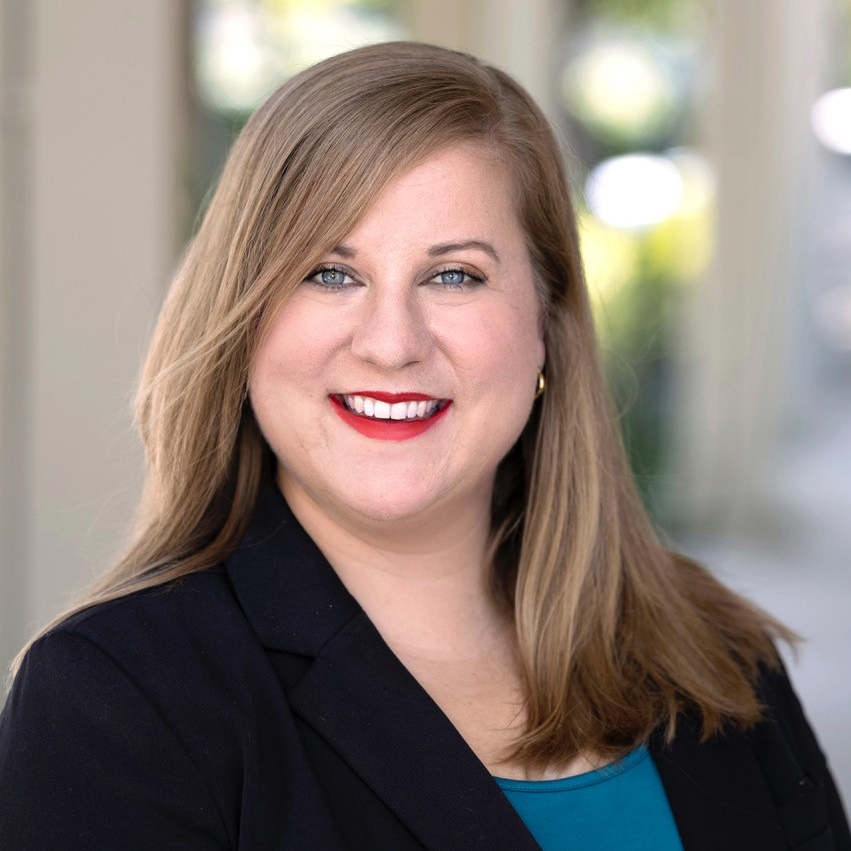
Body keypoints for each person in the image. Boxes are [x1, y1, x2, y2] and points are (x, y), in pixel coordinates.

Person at [0, 40, 848, 851]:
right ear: (243, 319)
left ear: (545, 324)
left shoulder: (708, 645)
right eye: (328, 272)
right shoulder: (117, 698)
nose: (390, 342)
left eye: (454, 275)